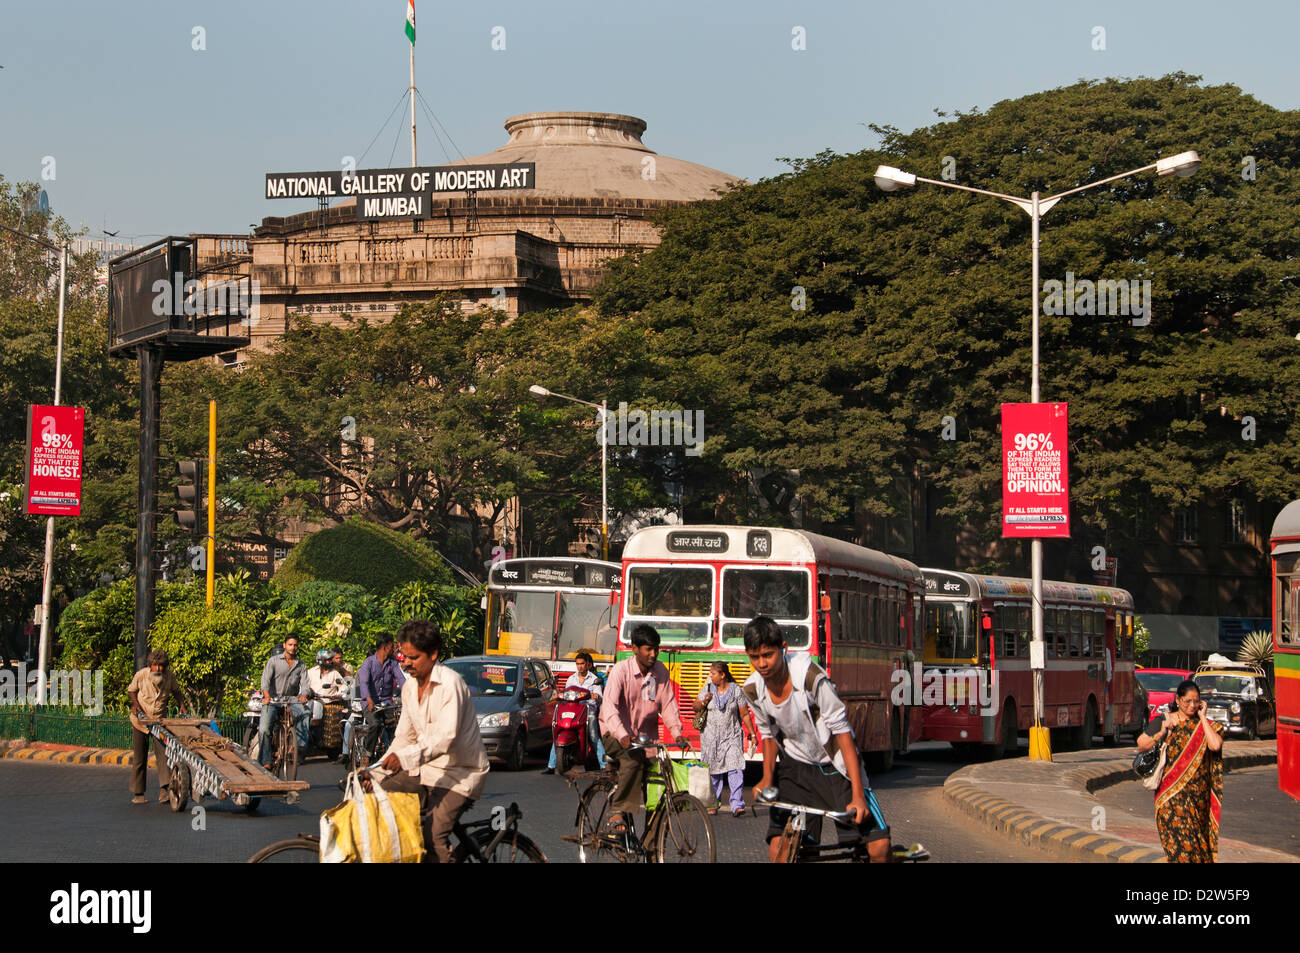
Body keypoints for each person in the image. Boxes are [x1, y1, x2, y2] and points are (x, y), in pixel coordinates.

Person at [742, 616, 890, 863]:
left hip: (835, 768)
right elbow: (767, 735)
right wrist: (767, 779)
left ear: (783, 648)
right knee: (780, 851)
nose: (762, 664)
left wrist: (857, 795)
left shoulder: (810, 677)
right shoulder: (753, 690)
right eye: (754, 657)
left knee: (879, 848)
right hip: (796, 771)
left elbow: (843, 733)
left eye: (768, 655)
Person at [366, 619, 490, 863]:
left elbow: (446, 737)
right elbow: (404, 737)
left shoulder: (450, 684)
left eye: (414, 658)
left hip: (459, 774)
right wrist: (375, 772)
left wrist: (404, 758)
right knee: (375, 798)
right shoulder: (409, 689)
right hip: (425, 770)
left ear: (433, 654)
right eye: (404, 657)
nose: (407, 663)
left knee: (433, 838)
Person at [598, 624, 686, 833]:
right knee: (633, 758)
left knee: (660, 784)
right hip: (615, 732)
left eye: (656, 649)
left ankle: (651, 848)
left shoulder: (660, 672)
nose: (653, 654)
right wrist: (622, 735)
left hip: (647, 740)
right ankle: (617, 810)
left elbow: (669, 704)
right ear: (635, 649)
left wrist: (677, 732)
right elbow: (609, 707)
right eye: (648, 649)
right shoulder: (621, 670)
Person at [1137, 679, 1225, 862]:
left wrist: (1202, 717)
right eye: (1188, 701)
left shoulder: (1205, 724)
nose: (1192, 706)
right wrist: (1161, 732)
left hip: (1198, 800)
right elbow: (1141, 744)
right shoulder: (1165, 720)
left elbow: (1215, 745)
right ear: (1178, 699)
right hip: (1170, 798)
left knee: (1198, 848)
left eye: (1196, 702)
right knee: (1178, 849)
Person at [696, 660, 754, 816]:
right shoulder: (708, 687)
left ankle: (737, 804)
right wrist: (704, 701)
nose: (711, 676)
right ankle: (713, 804)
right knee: (714, 772)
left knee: (735, 767)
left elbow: (744, 714)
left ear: (722, 675)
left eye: (713, 673)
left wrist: (752, 734)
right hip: (710, 738)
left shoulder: (736, 691)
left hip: (732, 736)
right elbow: (695, 706)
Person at [128, 650, 185, 804]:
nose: (158, 669)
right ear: (150, 665)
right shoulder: (141, 675)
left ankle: (164, 791)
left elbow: (176, 691)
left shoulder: (169, 676)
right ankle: (138, 793)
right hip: (140, 722)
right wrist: (136, 705)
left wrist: (182, 705)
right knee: (140, 757)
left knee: (163, 756)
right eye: (155, 666)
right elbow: (131, 691)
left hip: (159, 721)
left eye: (161, 666)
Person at [542, 652, 606, 774]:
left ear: (587, 665)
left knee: (593, 735)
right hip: (571, 711)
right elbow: (566, 694)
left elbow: (599, 697)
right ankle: (551, 765)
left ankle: (604, 765)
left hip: (588, 712)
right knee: (558, 730)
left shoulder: (594, 679)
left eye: (582, 664)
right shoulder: (571, 679)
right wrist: (558, 695)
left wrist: (595, 696)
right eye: (577, 664)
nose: (580, 666)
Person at [257, 635, 311, 769]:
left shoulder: (301, 664)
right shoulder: (273, 661)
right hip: (274, 700)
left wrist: (304, 695)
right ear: (284, 645)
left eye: (295, 645)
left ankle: (296, 747)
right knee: (264, 729)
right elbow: (265, 681)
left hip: (292, 700)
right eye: (290, 645)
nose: (293, 648)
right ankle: (265, 759)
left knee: (306, 713)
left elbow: (305, 685)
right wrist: (267, 696)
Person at [356, 635, 406, 765]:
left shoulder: (393, 663)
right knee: (375, 724)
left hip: (386, 702)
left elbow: (401, 679)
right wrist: (369, 700)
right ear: (385, 647)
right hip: (369, 703)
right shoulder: (369, 663)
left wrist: (409, 693)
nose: (394, 648)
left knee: (395, 726)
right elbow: (364, 683)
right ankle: (367, 754)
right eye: (392, 645)